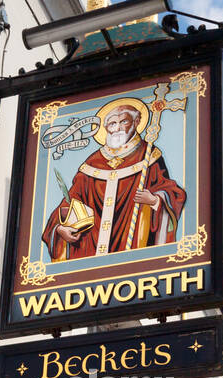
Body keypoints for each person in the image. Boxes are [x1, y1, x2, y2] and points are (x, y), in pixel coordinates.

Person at [42, 98, 186, 261]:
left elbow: (172, 192)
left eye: (123, 121)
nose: (117, 128)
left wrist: (154, 200)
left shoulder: (148, 156)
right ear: (105, 128)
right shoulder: (92, 162)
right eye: (112, 124)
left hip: (132, 243)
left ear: (136, 122)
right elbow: (71, 201)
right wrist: (61, 228)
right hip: (91, 248)